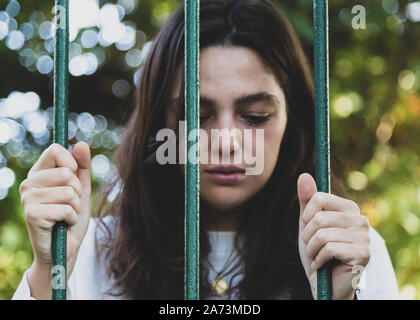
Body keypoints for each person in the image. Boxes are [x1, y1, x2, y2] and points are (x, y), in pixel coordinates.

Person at [12, 0, 399, 300]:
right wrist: (49, 270)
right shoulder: (90, 252)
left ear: (292, 121)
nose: (227, 141)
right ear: (159, 121)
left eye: (254, 115)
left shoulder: (349, 249)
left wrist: (340, 295)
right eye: (198, 114)